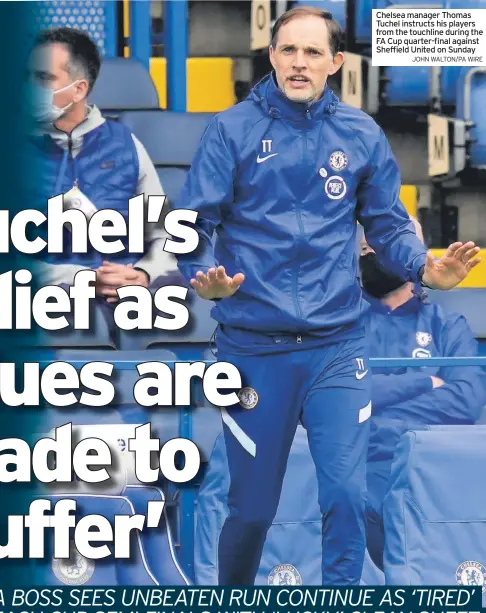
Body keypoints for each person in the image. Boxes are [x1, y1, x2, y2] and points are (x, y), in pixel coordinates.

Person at [175, 6, 481, 585]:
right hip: (253, 350)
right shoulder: (230, 129)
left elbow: (388, 226)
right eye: (288, 50)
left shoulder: (362, 133)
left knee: (344, 494)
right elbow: (194, 222)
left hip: (337, 346)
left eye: (313, 52)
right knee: (253, 510)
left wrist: (424, 267)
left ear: (336, 62)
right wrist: (203, 274)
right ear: (271, 56)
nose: (299, 63)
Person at [360, 218, 486, 570]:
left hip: (429, 479)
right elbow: (343, 395)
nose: (371, 253)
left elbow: (465, 399)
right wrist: (423, 382)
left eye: (385, 244)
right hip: (357, 476)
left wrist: (379, 414)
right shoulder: (340, 326)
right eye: (366, 248)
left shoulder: (447, 326)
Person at [27, 27, 177, 307]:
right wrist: (79, 277)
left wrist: (144, 274)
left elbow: (164, 235)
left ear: (79, 88)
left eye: (44, 78)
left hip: (122, 304)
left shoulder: (127, 145)